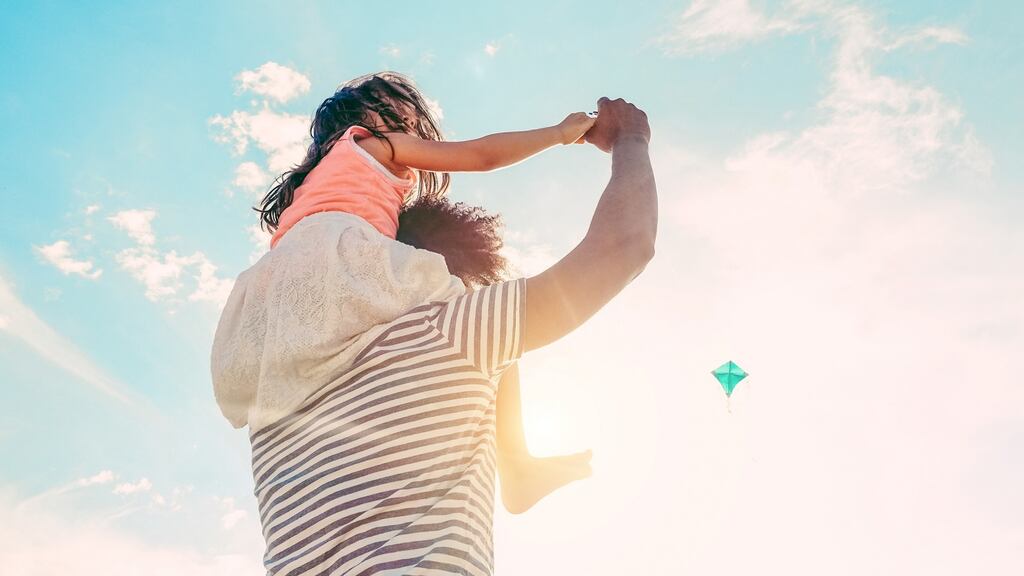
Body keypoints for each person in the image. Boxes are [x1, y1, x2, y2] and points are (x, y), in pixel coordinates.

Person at [210, 91, 655, 575]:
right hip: (339, 273)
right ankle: (518, 463)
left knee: (494, 341)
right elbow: (483, 155)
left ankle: (519, 464)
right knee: (491, 334)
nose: (413, 132)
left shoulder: (273, 422)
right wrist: (572, 134)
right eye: (404, 118)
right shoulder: (373, 149)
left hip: (267, 307)